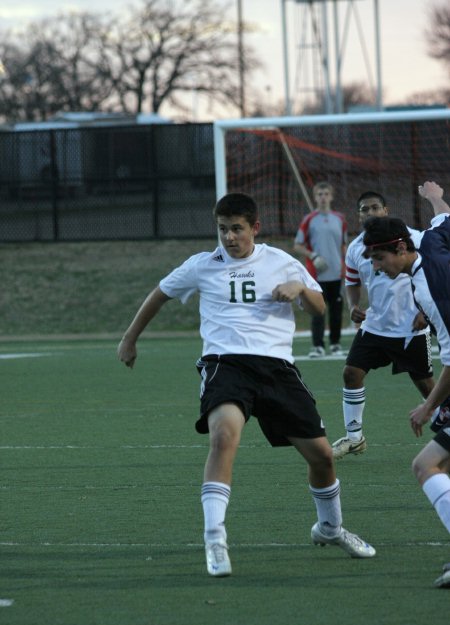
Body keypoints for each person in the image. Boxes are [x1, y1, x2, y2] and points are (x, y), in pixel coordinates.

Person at [118, 192, 376, 578]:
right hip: (226, 365)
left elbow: (321, 306)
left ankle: (331, 528)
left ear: (254, 228)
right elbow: (160, 294)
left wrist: (300, 291)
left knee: (322, 458)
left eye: (236, 229)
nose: (229, 237)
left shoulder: (281, 261)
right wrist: (129, 337)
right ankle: (215, 538)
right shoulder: (202, 265)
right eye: (222, 229)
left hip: (277, 370)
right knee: (224, 437)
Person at [362, 182, 450, 588]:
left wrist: (428, 404)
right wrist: (434, 195)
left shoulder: (432, 286)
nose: (377, 267)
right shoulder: (433, 240)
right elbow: (444, 217)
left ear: (400, 248)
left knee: (425, 465)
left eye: (379, 258)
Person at [332, 191, 435, 460]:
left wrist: (426, 310)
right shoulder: (357, 248)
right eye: (364, 209)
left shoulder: (415, 238)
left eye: (375, 207)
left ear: (386, 210)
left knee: (429, 389)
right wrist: (353, 306)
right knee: (351, 373)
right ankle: (354, 437)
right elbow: (352, 281)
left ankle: (445, 432)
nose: (370, 213)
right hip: (375, 326)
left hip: (409, 329)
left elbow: (432, 270)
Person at [294, 181, 347, 358]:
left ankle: (335, 344)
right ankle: (317, 345)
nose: (323, 197)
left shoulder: (340, 219)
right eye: (319, 194)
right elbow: (298, 245)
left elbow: (344, 246)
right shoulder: (309, 220)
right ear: (315, 197)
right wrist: (314, 256)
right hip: (315, 275)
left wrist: (347, 268)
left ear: (331, 196)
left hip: (336, 273)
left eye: (326, 194)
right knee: (317, 310)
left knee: (336, 311)